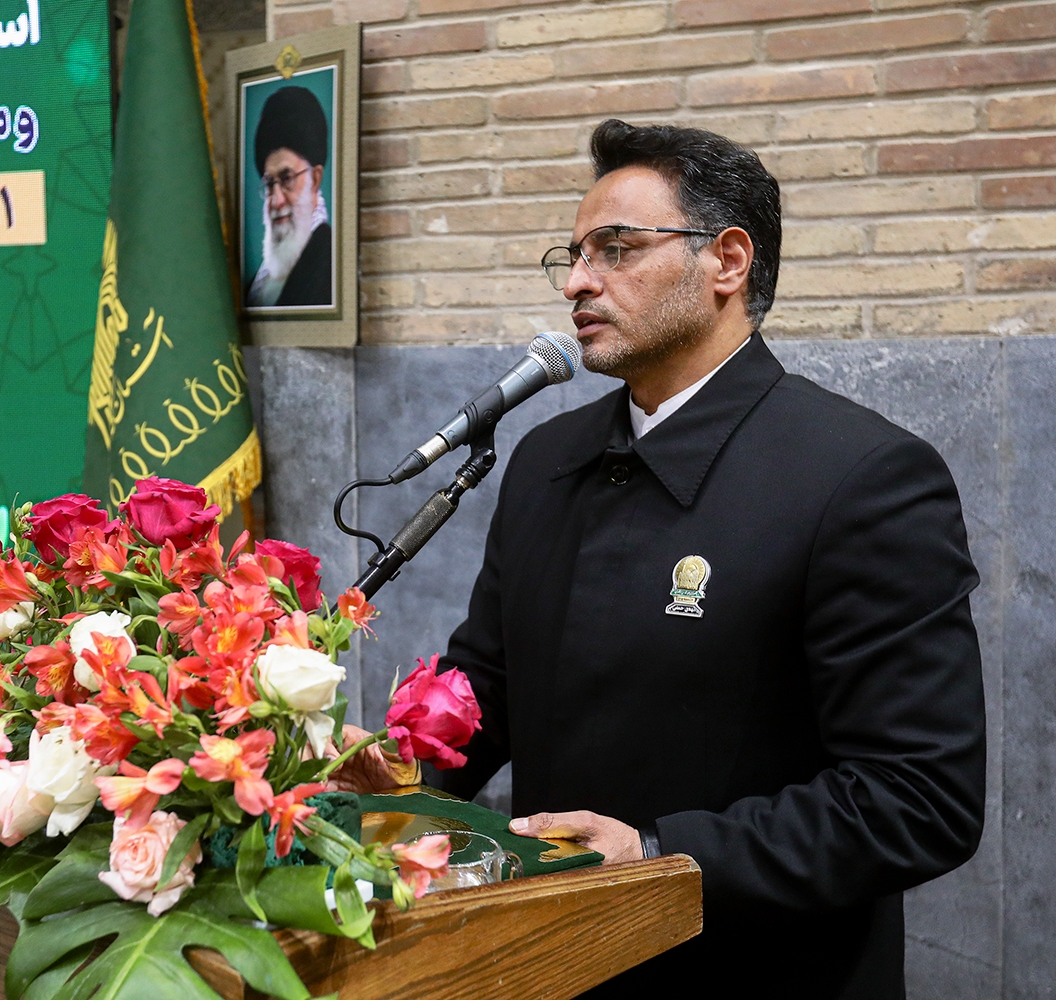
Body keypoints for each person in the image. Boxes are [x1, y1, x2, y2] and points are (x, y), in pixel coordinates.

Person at [340, 119, 986, 998]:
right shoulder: (548, 457)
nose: (577, 281)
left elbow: (920, 799)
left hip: (756, 972)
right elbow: (489, 683)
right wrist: (406, 765)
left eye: (616, 249)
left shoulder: (862, 475)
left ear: (727, 262)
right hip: (548, 958)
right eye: (573, 255)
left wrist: (657, 852)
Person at [246, 85, 332, 308]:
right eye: (269, 184)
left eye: (287, 179)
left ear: (315, 179)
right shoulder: (259, 281)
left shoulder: (331, 263)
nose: (276, 201)